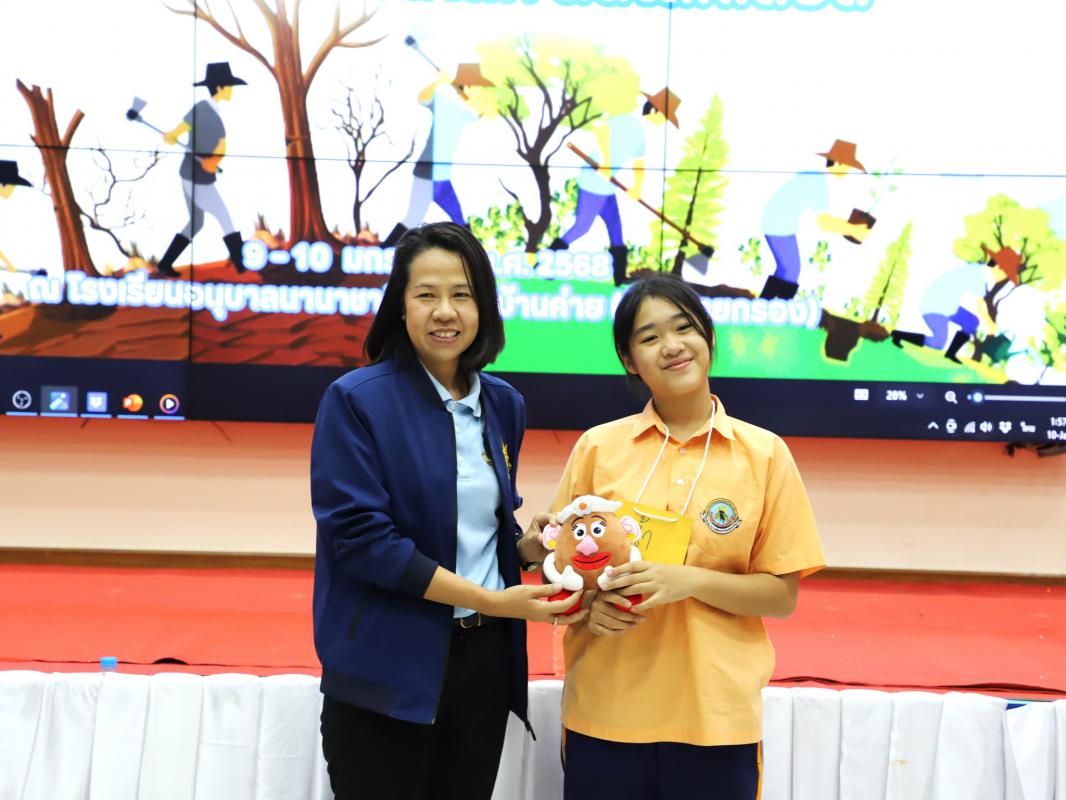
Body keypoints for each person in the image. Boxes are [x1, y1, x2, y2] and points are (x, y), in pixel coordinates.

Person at [310, 221, 584, 800]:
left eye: (462, 294)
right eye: (426, 295)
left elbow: (477, 528)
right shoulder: (356, 400)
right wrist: (494, 600)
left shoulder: (504, 404)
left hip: (483, 667)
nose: (445, 311)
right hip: (386, 666)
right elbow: (364, 544)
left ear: (483, 307)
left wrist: (528, 546)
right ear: (400, 306)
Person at [551, 273, 825, 800]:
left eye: (684, 328)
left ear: (708, 337)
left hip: (715, 718)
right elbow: (560, 572)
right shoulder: (597, 449)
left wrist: (687, 581)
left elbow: (781, 595)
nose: (672, 346)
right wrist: (587, 604)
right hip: (606, 712)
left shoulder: (765, 455)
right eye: (650, 337)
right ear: (629, 360)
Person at [550, 88, 680, 286]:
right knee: (582, 226)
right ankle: (545, 263)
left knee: (616, 231)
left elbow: (638, 164)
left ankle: (619, 278)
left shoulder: (641, 135)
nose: (662, 122)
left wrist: (637, 188)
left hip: (607, 187)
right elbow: (601, 132)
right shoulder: (628, 122)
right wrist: (606, 162)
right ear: (654, 111)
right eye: (664, 116)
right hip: (593, 181)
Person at [382, 64, 496, 247]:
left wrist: (468, 98)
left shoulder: (465, 111)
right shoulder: (444, 104)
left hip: (442, 176)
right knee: (413, 218)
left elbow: (485, 113)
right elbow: (422, 98)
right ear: (467, 86)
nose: (480, 91)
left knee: (458, 220)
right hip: (427, 173)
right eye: (477, 87)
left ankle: (475, 257)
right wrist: (438, 82)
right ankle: (384, 250)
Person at [155, 61, 247, 277]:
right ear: (221, 88)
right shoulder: (203, 109)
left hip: (197, 175)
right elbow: (181, 129)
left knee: (196, 223)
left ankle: (165, 263)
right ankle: (242, 266)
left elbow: (221, 147)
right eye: (229, 86)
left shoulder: (211, 112)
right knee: (224, 216)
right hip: (195, 178)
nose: (231, 91)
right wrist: (172, 136)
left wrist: (213, 160)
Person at [759, 139, 871, 299]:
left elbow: (823, 218)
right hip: (778, 225)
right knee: (791, 270)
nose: (847, 171)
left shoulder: (817, 178)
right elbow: (823, 222)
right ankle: (773, 308)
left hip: (778, 223)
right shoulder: (818, 181)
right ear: (838, 163)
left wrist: (849, 228)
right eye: (847, 166)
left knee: (787, 269)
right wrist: (852, 229)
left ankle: (766, 306)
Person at [891, 245, 1021, 363]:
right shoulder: (979, 275)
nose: (1005, 278)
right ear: (999, 267)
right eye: (1006, 274)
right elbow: (979, 303)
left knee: (972, 321)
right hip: (935, 306)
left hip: (948, 306)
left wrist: (989, 323)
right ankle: (899, 335)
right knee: (938, 342)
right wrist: (990, 324)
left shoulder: (980, 272)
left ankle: (951, 353)